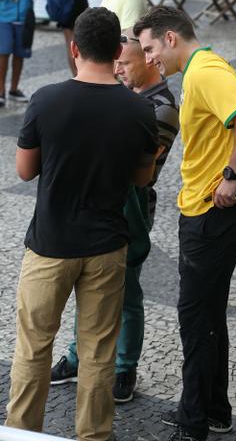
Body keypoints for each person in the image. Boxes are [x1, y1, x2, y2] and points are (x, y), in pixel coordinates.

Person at [5, 6, 159, 441]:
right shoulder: (138, 110)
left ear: (73, 47)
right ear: (116, 51)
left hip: (50, 244)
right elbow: (142, 177)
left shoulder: (46, 100)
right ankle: (93, 435)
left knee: (34, 348)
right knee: (97, 352)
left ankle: (23, 433)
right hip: (108, 246)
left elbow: (24, 170)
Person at [133, 6, 236, 441]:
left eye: (150, 48)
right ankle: (213, 411)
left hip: (213, 214)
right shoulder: (197, 72)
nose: (148, 58)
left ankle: (192, 426)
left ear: (171, 38)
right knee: (208, 315)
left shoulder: (205, 70)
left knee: (195, 318)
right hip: (207, 213)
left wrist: (229, 176)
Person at [50, 28, 180, 404]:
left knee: (127, 292)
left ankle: (125, 368)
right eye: (116, 63)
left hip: (133, 208)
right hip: (100, 204)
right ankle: (76, 357)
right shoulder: (127, 97)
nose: (119, 70)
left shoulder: (163, 107)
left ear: (148, 59)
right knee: (85, 285)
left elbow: (137, 166)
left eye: (125, 63)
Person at [0, 0, 41, 106]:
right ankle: (0, 91)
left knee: (20, 55)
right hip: (3, 17)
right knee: (3, 54)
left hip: (25, 18)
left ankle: (14, 89)